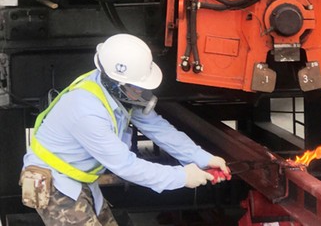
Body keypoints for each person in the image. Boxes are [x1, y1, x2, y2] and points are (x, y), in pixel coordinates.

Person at [21, 33, 231, 226]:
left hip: (79, 177)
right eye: (136, 87)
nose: (141, 92)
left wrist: (202, 157)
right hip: (55, 182)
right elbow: (126, 166)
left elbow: (158, 128)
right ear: (115, 82)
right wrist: (182, 177)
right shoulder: (86, 111)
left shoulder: (120, 90)